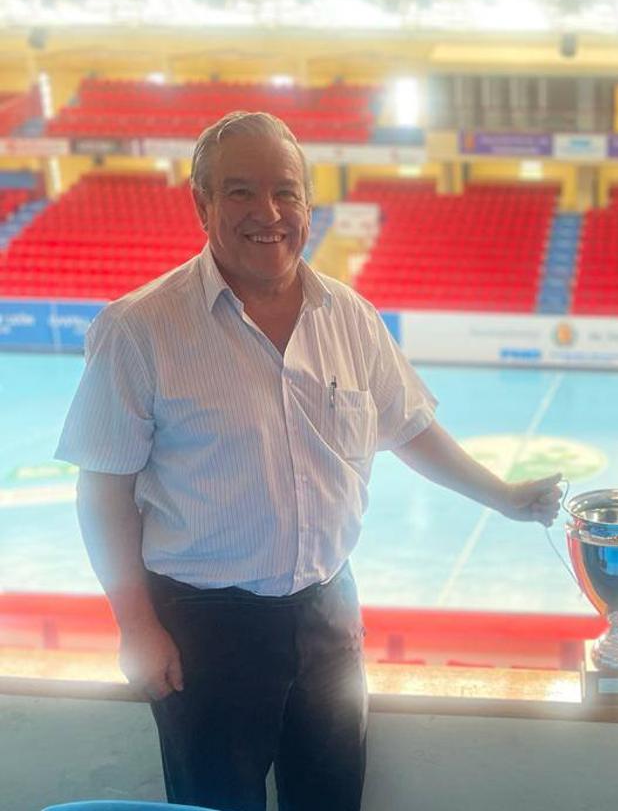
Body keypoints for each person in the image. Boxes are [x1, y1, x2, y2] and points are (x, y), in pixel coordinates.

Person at [55, 110, 563, 811]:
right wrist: (136, 626)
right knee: (214, 804)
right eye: (239, 192)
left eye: (285, 192)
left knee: (329, 801)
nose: (268, 213)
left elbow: (409, 428)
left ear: (308, 203)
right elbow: (103, 491)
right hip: (201, 627)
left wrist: (504, 497)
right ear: (201, 204)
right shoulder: (139, 330)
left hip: (329, 616)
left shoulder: (350, 317)